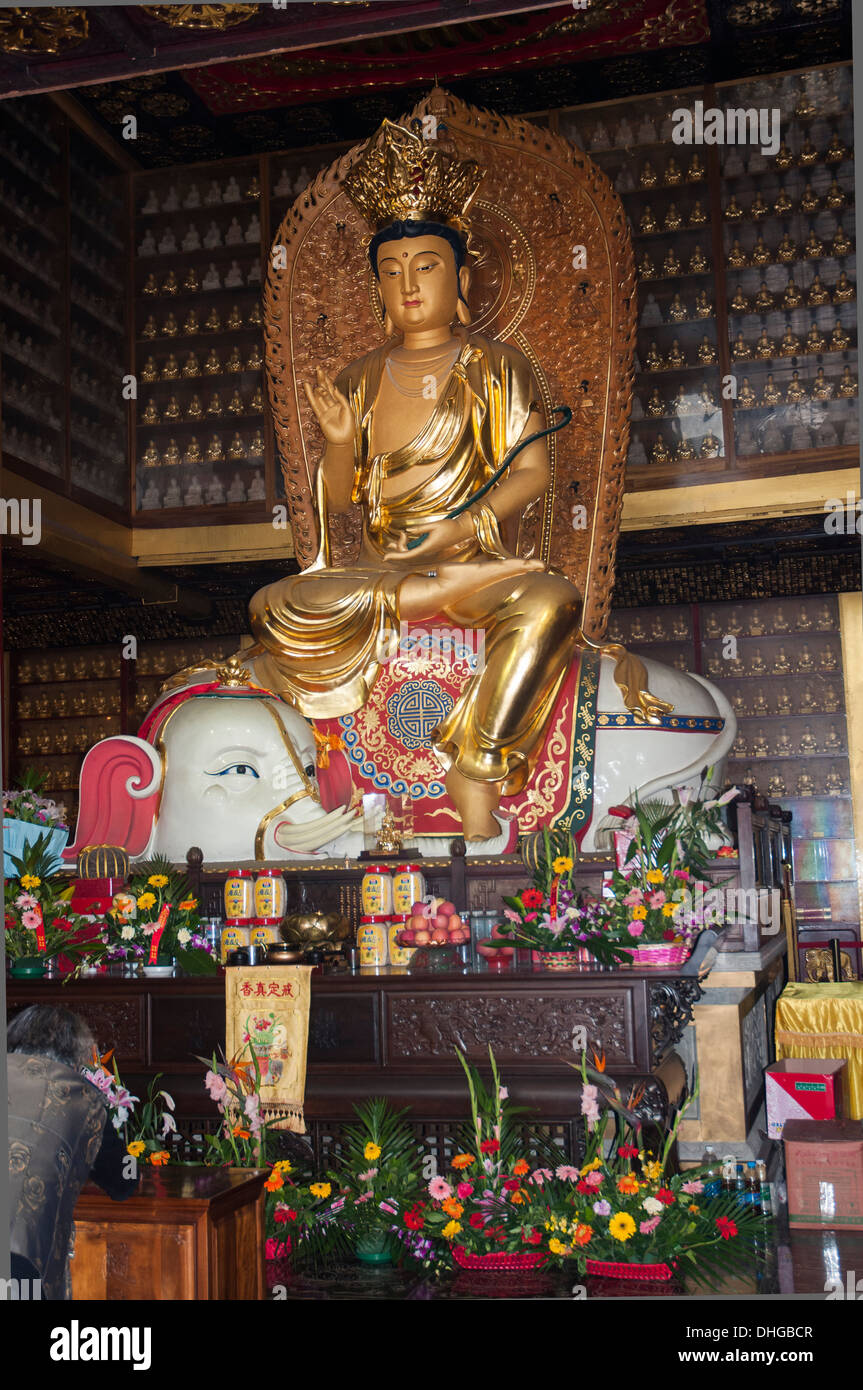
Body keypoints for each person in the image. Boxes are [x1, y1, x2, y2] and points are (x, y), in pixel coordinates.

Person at [245, 120, 583, 841]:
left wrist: (461, 527)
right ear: (374, 285)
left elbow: (532, 470)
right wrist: (338, 444)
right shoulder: (359, 378)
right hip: (378, 572)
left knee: (553, 602)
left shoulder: (496, 367)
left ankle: (477, 756)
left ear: (460, 278)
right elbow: (338, 504)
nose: (407, 284)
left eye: (425, 266)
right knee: (272, 604)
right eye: (391, 270)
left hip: (476, 564)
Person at [7, 1004, 140, 1299]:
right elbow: (124, 1180)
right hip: (17, 1259)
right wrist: (132, 1155)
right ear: (75, 1053)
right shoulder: (79, 1097)